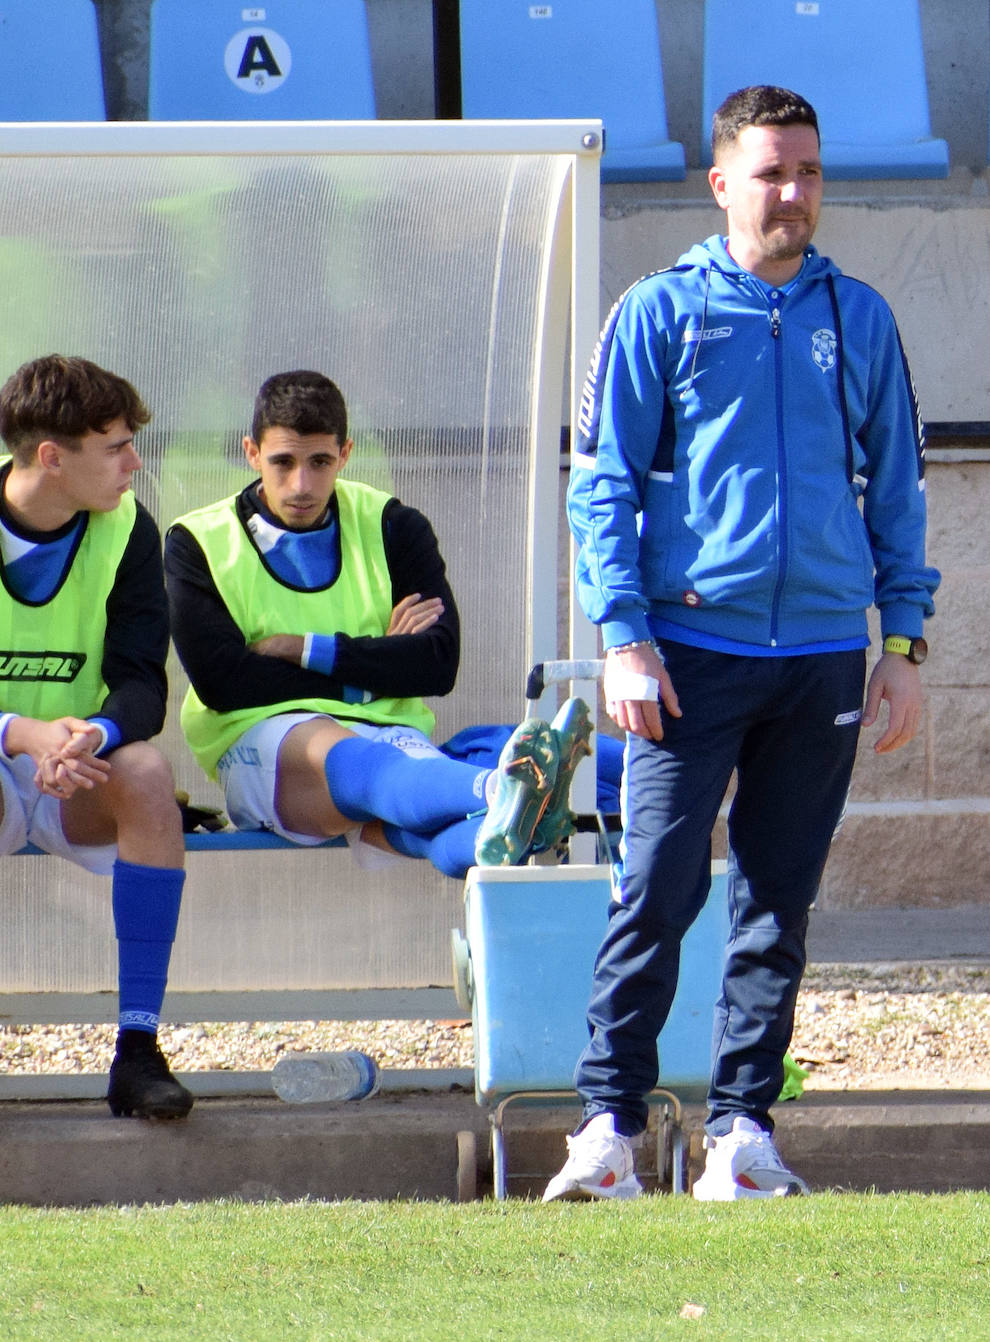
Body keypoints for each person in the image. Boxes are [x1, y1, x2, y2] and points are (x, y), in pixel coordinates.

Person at [547, 85, 940, 1202]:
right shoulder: (658, 311)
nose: (794, 193)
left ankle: (740, 1136)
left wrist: (901, 645)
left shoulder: (859, 317)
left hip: (820, 654)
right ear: (721, 182)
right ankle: (607, 1129)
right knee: (659, 887)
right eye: (772, 172)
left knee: (779, 899)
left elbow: (898, 489)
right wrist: (622, 635)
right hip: (685, 652)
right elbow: (602, 484)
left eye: (809, 171)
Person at [0, 354, 193, 1126]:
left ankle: (139, 1051)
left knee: (151, 772)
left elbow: (142, 685)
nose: (134, 463)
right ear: (52, 457)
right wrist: (23, 736)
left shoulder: (127, 527)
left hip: (75, 772)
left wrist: (92, 734)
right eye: (117, 446)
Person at [164, 369, 553, 880]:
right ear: (251, 453)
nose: (301, 484)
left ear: (345, 454)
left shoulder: (393, 524)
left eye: (320, 462)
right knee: (355, 759)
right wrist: (376, 666)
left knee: (448, 829)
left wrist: (302, 648)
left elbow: (437, 665)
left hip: (386, 733)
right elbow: (224, 683)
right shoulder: (196, 539)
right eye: (282, 462)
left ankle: (524, 817)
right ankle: (504, 787)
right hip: (264, 739)